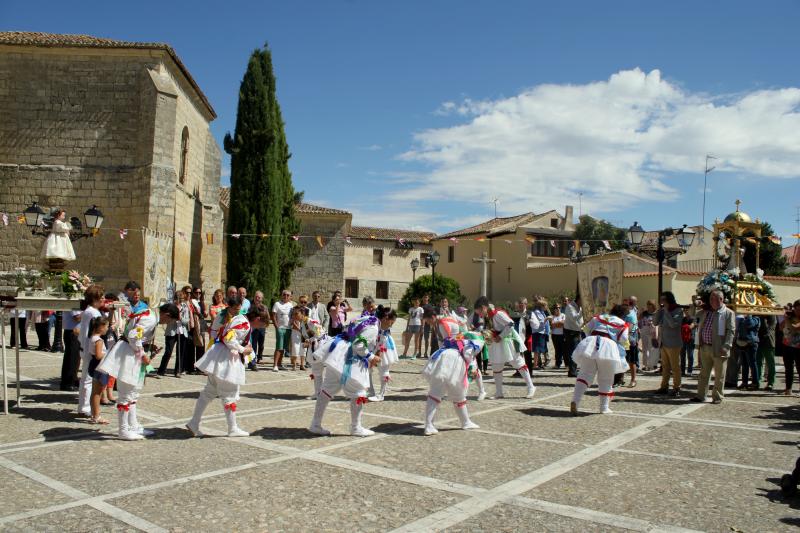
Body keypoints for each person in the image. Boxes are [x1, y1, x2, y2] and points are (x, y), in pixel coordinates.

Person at [97, 303, 179, 440]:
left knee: (133, 392)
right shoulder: (151, 318)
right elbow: (133, 336)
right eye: (170, 321)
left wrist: (147, 347)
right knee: (126, 393)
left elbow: (137, 336)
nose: (167, 323)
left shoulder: (150, 314)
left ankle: (133, 425)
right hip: (128, 354)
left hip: (130, 353)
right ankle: (123, 430)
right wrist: (142, 355)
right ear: (167, 315)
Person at [187, 300, 268, 438]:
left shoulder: (240, 319)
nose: (260, 327)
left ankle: (194, 422)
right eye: (261, 325)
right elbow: (228, 338)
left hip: (219, 357)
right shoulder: (244, 323)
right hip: (226, 360)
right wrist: (243, 350)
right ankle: (232, 428)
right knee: (229, 394)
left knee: (209, 392)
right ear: (257, 319)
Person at [308, 314, 382, 437]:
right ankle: (356, 427)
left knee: (327, 389)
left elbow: (348, 330)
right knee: (358, 391)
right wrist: (371, 357)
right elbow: (358, 344)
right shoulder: (373, 326)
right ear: (386, 319)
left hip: (337, 355)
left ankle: (315, 424)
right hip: (349, 359)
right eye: (391, 322)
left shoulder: (364, 319)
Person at [421, 309, 484, 435]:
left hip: (444, 358)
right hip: (453, 361)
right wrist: (471, 367)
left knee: (445, 392)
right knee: (456, 392)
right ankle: (430, 425)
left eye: (428, 320)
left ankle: (465, 421)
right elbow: (468, 354)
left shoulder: (447, 327)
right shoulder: (471, 343)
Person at [570, 304, 630, 415]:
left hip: (591, 344)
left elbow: (586, 329)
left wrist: (593, 336)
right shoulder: (622, 324)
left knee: (584, 374)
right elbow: (623, 339)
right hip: (608, 347)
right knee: (606, 378)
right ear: (623, 315)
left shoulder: (599, 317)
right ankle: (604, 407)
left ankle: (575, 401)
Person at [474, 296, 536, 399]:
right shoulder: (488, 315)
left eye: (479, 312)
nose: (479, 315)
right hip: (496, 344)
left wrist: (501, 336)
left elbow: (510, 324)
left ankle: (531, 387)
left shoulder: (498, 314)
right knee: (496, 366)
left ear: (484, 307)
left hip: (507, 342)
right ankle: (499, 392)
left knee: (518, 362)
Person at [690, 290, 736, 404]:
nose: (710, 301)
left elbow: (731, 331)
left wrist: (727, 346)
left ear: (720, 299)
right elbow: (692, 315)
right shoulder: (706, 312)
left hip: (719, 348)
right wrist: (695, 304)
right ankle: (700, 395)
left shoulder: (728, 313)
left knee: (720, 374)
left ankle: (717, 396)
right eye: (710, 298)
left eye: (713, 299)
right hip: (705, 347)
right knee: (704, 373)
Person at [77, 285, 104, 417]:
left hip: (85, 346)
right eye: (101, 297)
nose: (103, 299)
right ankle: (85, 407)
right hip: (90, 349)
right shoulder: (93, 313)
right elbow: (94, 331)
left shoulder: (88, 311)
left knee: (85, 379)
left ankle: (84, 406)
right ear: (95, 299)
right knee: (88, 380)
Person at [654, 291, 684, 397]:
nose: (662, 302)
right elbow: (655, 323)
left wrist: (666, 311)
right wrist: (658, 311)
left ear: (668, 300)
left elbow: (673, 325)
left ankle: (677, 388)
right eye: (661, 300)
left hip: (674, 343)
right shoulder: (662, 311)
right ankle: (664, 386)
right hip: (664, 343)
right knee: (665, 366)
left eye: (663, 300)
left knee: (675, 367)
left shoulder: (678, 310)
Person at [368, 306, 398, 402]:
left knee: (384, 369)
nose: (392, 324)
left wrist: (378, 353)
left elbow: (382, 340)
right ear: (385, 319)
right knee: (368, 368)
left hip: (385, 348)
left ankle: (381, 394)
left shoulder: (385, 327)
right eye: (392, 321)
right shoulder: (376, 324)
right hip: (375, 346)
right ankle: (370, 391)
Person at [87, 316, 111, 425]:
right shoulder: (99, 340)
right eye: (106, 326)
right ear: (100, 327)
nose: (107, 329)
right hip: (99, 367)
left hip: (94, 365)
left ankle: (94, 414)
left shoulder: (92, 337)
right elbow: (98, 355)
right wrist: (109, 355)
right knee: (97, 393)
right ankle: (96, 415)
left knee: (95, 392)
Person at [734, 313, 760, 390]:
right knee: (744, 364)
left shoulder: (756, 318)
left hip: (751, 343)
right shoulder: (743, 318)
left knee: (752, 363)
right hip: (742, 342)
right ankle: (744, 382)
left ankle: (755, 383)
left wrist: (749, 315)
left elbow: (750, 324)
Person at [59, 307, 82, 391]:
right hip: (72, 331)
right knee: (71, 358)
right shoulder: (74, 302)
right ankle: (67, 383)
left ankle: (74, 379)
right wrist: (88, 311)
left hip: (78, 331)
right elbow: (77, 317)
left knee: (76, 358)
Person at [272, 289, 294, 371]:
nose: (286, 296)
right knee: (279, 347)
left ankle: (279, 364)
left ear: (290, 297)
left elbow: (292, 316)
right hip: (280, 328)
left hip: (288, 328)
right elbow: (273, 316)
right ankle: (275, 365)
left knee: (283, 347)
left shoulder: (291, 305)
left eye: (288, 295)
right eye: (284, 294)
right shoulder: (277, 304)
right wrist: (276, 327)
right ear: (282, 295)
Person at [562, 295, 584, 377]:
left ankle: (574, 369)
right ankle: (572, 371)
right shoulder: (570, 306)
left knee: (577, 350)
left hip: (577, 331)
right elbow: (574, 318)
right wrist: (582, 312)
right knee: (572, 351)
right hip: (570, 332)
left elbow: (580, 320)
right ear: (579, 300)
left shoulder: (580, 307)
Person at [782, 300, 800, 396]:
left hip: (798, 346)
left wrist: (787, 320)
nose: (798, 311)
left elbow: (795, 327)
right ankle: (788, 389)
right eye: (796, 309)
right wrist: (784, 319)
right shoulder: (790, 316)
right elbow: (781, 328)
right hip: (787, 344)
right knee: (788, 368)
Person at [756, 314, 777, 391]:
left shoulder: (772, 315)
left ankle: (771, 382)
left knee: (770, 363)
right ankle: (757, 381)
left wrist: (762, 317)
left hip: (768, 342)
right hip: (758, 341)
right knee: (758, 363)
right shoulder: (758, 315)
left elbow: (768, 329)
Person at [623, 297, 639, 387]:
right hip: (623, 340)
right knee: (622, 359)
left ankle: (633, 380)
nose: (624, 306)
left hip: (630, 340)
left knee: (631, 361)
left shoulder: (631, 314)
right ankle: (620, 379)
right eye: (624, 304)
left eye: (626, 304)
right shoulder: (625, 313)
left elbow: (629, 328)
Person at [638, 300, 659, 371]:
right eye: (648, 304)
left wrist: (653, 323)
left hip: (653, 332)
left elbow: (658, 322)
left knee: (652, 349)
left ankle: (651, 365)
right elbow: (639, 318)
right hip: (644, 331)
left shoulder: (656, 313)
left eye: (650, 304)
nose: (648, 306)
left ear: (653, 305)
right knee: (644, 349)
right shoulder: (645, 313)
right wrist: (640, 312)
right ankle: (645, 365)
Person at [530, 298, 548, 371]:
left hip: (541, 332)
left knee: (540, 348)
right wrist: (547, 318)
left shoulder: (541, 312)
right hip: (538, 332)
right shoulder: (537, 312)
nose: (546, 307)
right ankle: (535, 365)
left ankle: (538, 363)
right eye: (546, 306)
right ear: (542, 306)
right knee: (537, 349)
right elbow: (541, 322)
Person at [550, 303, 566, 369]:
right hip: (555, 335)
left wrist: (555, 324)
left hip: (562, 335)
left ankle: (567, 364)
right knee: (557, 350)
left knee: (564, 350)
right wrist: (559, 324)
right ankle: (558, 364)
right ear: (554, 309)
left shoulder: (563, 315)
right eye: (556, 308)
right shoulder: (552, 316)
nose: (558, 309)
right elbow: (552, 325)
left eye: (559, 307)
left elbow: (563, 324)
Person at [680, 312, 696, 376]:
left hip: (691, 339)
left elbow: (692, 326)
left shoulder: (693, 318)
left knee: (690, 355)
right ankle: (682, 371)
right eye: (685, 310)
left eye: (687, 310)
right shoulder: (683, 319)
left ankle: (689, 371)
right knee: (682, 356)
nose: (686, 311)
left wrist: (685, 326)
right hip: (682, 339)